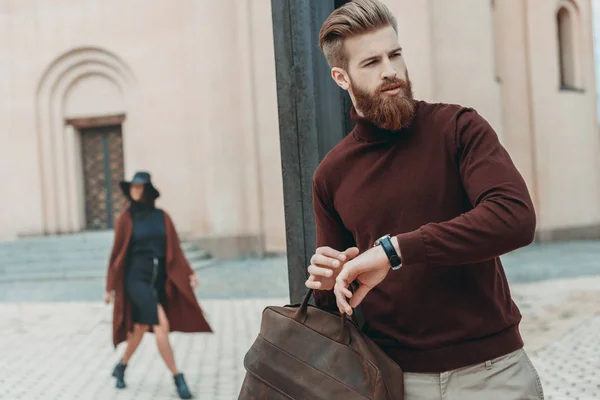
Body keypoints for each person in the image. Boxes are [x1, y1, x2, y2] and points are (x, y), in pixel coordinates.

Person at [305, 1, 544, 399]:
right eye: (371, 63)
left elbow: (514, 218)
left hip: (492, 374)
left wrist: (393, 250)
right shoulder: (331, 174)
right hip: (397, 380)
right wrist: (328, 284)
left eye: (395, 55)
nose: (390, 71)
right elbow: (335, 302)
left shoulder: (458, 128)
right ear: (341, 77)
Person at [104, 171, 212, 399]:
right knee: (160, 324)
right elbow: (116, 253)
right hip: (135, 279)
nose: (135, 191)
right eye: (132, 187)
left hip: (158, 280)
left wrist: (189, 272)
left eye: (139, 187)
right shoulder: (126, 218)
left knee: (141, 328)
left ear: (148, 191)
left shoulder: (162, 216)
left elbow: (175, 247)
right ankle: (178, 378)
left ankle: (121, 367)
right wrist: (109, 287)